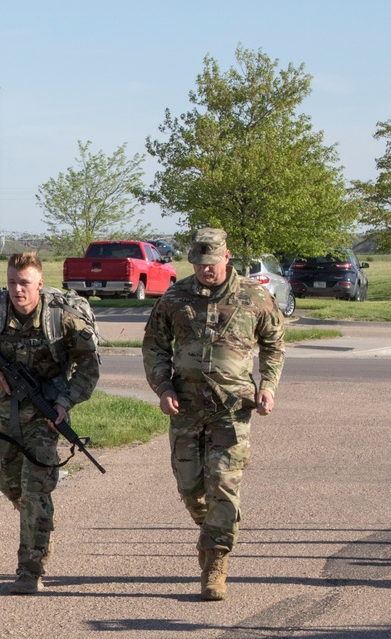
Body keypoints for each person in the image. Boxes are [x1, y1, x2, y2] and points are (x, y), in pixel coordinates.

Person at [142, 228, 284, 602]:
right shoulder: (175, 297)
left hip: (231, 409)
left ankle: (216, 562)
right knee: (191, 489)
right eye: (199, 264)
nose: (206, 270)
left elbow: (274, 344)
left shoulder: (254, 297)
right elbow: (154, 345)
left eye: (212, 263)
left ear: (227, 256)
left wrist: (267, 385)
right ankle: (213, 531)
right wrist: (163, 387)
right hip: (186, 407)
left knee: (222, 483)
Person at [0, 252, 100, 595]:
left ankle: (30, 567)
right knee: (11, 486)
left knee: (36, 489)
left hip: (46, 413)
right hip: (5, 412)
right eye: (12, 282)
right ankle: (38, 529)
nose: (17, 290)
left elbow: (89, 366)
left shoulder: (62, 318)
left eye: (24, 283)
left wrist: (65, 403)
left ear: (40, 282)